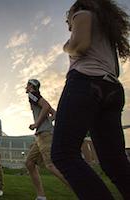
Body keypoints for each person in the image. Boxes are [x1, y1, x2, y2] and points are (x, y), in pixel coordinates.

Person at [51, 0, 130, 199]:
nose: (67, 22)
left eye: (67, 17)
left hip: (86, 85)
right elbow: (116, 70)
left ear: (74, 9)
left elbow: (79, 46)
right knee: (115, 163)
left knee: (64, 154)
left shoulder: (83, 14)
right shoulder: (106, 32)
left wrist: (66, 46)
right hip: (112, 90)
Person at [25, 79, 69, 200]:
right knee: (29, 163)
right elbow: (53, 113)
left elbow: (47, 106)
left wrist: (36, 124)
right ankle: (41, 196)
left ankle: (82, 191)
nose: (26, 87)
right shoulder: (36, 97)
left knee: (51, 165)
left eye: (27, 85)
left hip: (45, 134)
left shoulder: (32, 95)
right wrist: (47, 121)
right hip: (41, 135)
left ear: (31, 86)